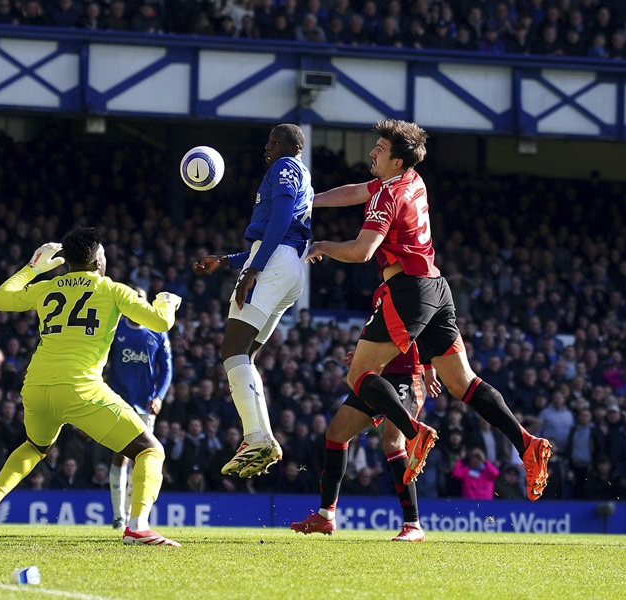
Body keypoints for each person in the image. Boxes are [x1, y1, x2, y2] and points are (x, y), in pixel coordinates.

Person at [299, 118, 552, 506]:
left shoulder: (387, 196)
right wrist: (310, 199)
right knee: (463, 382)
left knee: (358, 373)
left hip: (407, 291)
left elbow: (362, 251)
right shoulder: (413, 181)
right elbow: (355, 192)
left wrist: (323, 245)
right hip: (436, 287)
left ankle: (414, 431)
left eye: (380, 149)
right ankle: (527, 443)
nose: (372, 153)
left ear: (397, 161)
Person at [0, 228, 184, 547]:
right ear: (97, 261)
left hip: (36, 385)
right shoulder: (112, 289)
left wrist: (33, 268)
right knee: (151, 450)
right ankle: (137, 526)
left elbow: (0, 299)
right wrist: (166, 302)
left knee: (35, 447)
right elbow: (160, 324)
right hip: (81, 388)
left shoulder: (47, 286)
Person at [191, 124, 313, 479]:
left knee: (231, 350)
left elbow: (280, 219)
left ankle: (255, 437)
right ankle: (261, 437)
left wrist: (252, 270)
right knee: (245, 355)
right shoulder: (299, 173)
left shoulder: (285, 167)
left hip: (274, 263)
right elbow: (277, 233)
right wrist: (230, 261)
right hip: (287, 266)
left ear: (291, 146)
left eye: (275, 142)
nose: (267, 147)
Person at [291, 342, 441, 542]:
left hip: (406, 375)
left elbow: (425, 326)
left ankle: (412, 524)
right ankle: (325, 515)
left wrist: (429, 368)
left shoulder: (410, 309)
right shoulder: (377, 309)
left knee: (392, 441)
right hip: (376, 376)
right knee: (336, 434)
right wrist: (366, 355)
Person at [106, 286, 173, 531]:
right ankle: (118, 516)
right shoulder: (116, 328)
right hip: (118, 401)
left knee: (142, 458)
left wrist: (159, 396)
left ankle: (134, 514)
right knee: (119, 455)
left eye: (140, 299)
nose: (137, 303)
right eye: (133, 299)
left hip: (145, 404)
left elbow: (166, 370)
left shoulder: (157, 331)